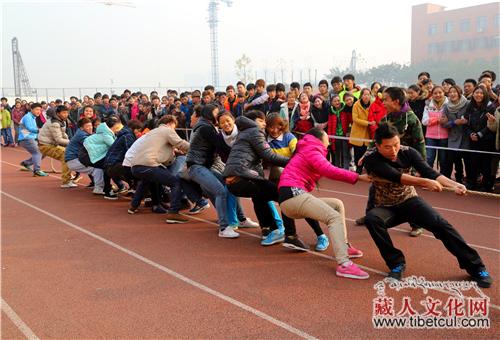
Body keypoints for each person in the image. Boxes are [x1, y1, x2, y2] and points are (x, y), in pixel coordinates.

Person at [364, 123, 492, 288]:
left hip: (409, 200)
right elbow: (396, 176)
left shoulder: (408, 152)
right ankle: (396, 263)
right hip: (385, 206)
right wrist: (425, 182)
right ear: (377, 145)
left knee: (441, 224)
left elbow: (430, 172)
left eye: (396, 144)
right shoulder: (371, 158)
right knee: (372, 220)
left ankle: (476, 267)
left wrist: (454, 185)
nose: (394, 151)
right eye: (388, 147)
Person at [278, 127, 368, 279]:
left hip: (292, 198)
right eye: (327, 137)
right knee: (333, 217)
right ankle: (344, 264)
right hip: (293, 195)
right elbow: (329, 170)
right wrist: (357, 177)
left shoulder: (307, 148)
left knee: (336, 204)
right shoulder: (311, 149)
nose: (329, 141)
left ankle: (344, 247)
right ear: (319, 138)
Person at [356, 87, 426, 238]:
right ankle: (370, 217)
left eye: (385, 99)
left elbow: (420, 143)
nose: (383, 102)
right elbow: (376, 140)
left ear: (396, 101)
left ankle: (416, 224)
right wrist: (366, 154)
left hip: (404, 163)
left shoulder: (412, 120)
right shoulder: (386, 119)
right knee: (375, 188)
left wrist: (420, 167)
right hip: (386, 161)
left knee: (408, 195)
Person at [223, 110, 291, 246]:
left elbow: (255, 161)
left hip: (234, 181)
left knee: (259, 196)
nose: (264, 124)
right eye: (261, 120)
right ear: (253, 122)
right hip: (241, 177)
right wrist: (294, 161)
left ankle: (267, 229)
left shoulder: (243, 133)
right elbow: (269, 156)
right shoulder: (255, 132)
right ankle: (284, 232)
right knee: (283, 194)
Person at [186, 104, 240, 238]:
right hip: (196, 167)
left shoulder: (207, 126)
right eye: (217, 112)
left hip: (204, 167)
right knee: (220, 191)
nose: (219, 114)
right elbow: (221, 146)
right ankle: (224, 227)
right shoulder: (205, 128)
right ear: (210, 114)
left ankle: (241, 219)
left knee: (230, 185)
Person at [128, 115, 191, 222]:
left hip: (135, 165)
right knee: (176, 182)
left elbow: (157, 149)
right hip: (149, 164)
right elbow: (180, 143)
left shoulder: (152, 132)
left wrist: (174, 151)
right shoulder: (167, 130)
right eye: (174, 127)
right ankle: (173, 213)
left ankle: (133, 206)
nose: (174, 129)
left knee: (146, 180)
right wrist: (196, 148)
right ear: (170, 123)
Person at [463, 86, 496, 192]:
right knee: (473, 163)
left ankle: (486, 185)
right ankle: (472, 183)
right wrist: (471, 134)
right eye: (476, 93)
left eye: (481, 93)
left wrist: (480, 134)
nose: (479, 95)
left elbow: (491, 124)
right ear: (473, 94)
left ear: (485, 95)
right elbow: (466, 123)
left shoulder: (491, 107)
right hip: (473, 140)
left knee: (486, 164)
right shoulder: (469, 106)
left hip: (486, 140)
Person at [81, 115, 123, 199]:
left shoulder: (106, 132)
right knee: (109, 166)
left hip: (89, 153)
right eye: (118, 126)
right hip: (87, 155)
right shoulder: (106, 134)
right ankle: (107, 191)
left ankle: (109, 189)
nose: (119, 128)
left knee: (107, 167)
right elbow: (115, 146)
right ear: (112, 126)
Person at [38, 105, 76, 188]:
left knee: (69, 153)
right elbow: (58, 139)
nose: (66, 114)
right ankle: (66, 181)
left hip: (50, 144)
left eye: (67, 113)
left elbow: (63, 134)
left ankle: (69, 176)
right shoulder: (55, 123)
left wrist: (70, 141)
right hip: (45, 145)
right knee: (65, 156)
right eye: (64, 113)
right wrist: (73, 143)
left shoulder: (61, 121)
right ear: (58, 113)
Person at [65, 118, 105, 194]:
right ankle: (99, 188)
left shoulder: (83, 133)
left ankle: (99, 185)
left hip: (74, 159)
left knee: (96, 166)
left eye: (91, 126)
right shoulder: (82, 135)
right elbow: (93, 145)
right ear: (81, 128)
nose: (90, 128)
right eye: (87, 126)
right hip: (73, 160)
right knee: (97, 168)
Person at [442, 85, 469, 182]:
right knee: (453, 160)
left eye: (455, 92)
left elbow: (474, 119)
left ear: (459, 93)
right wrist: (454, 122)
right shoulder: (446, 106)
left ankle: (470, 181)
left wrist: (466, 122)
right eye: (450, 92)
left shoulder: (468, 104)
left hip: (466, 137)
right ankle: (457, 178)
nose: (452, 94)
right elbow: (444, 124)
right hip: (453, 137)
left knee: (468, 161)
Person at [422, 86, 449, 173]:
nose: (438, 95)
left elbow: (449, 120)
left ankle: (443, 177)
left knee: (443, 159)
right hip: (430, 136)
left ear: (444, 93)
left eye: (440, 92)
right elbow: (424, 121)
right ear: (432, 94)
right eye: (435, 93)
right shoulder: (427, 105)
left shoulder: (449, 105)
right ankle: (428, 176)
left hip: (445, 136)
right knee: (429, 158)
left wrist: (433, 120)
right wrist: (437, 120)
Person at [18, 103, 47, 177]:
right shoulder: (27, 117)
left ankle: (26, 163)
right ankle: (37, 170)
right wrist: (41, 130)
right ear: (31, 109)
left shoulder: (33, 117)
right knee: (38, 152)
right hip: (26, 138)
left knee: (44, 152)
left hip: (32, 138)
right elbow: (30, 128)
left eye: (40, 110)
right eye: (37, 109)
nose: (39, 112)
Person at [350, 88, 373, 174]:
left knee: (366, 152)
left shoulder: (373, 105)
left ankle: (365, 168)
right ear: (361, 95)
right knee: (357, 152)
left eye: (368, 94)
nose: (366, 96)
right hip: (358, 132)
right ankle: (358, 168)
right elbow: (355, 119)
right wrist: (368, 123)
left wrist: (371, 124)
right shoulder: (356, 105)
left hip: (367, 133)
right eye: (364, 94)